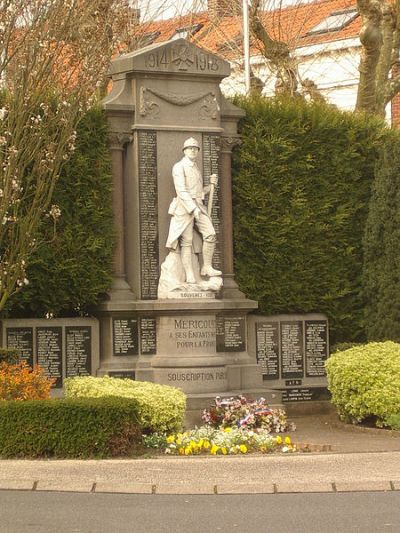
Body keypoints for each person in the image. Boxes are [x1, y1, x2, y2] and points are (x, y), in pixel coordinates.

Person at [165, 137, 222, 284]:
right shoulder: (179, 166)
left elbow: (197, 192)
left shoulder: (196, 168)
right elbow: (181, 190)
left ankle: (207, 267)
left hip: (198, 206)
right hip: (184, 208)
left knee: (210, 234)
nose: (193, 150)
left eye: (195, 148)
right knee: (187, 242)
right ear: (184, 151)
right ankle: (189, 274)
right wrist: (192, 208)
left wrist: (209, 187)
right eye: (190, 148)